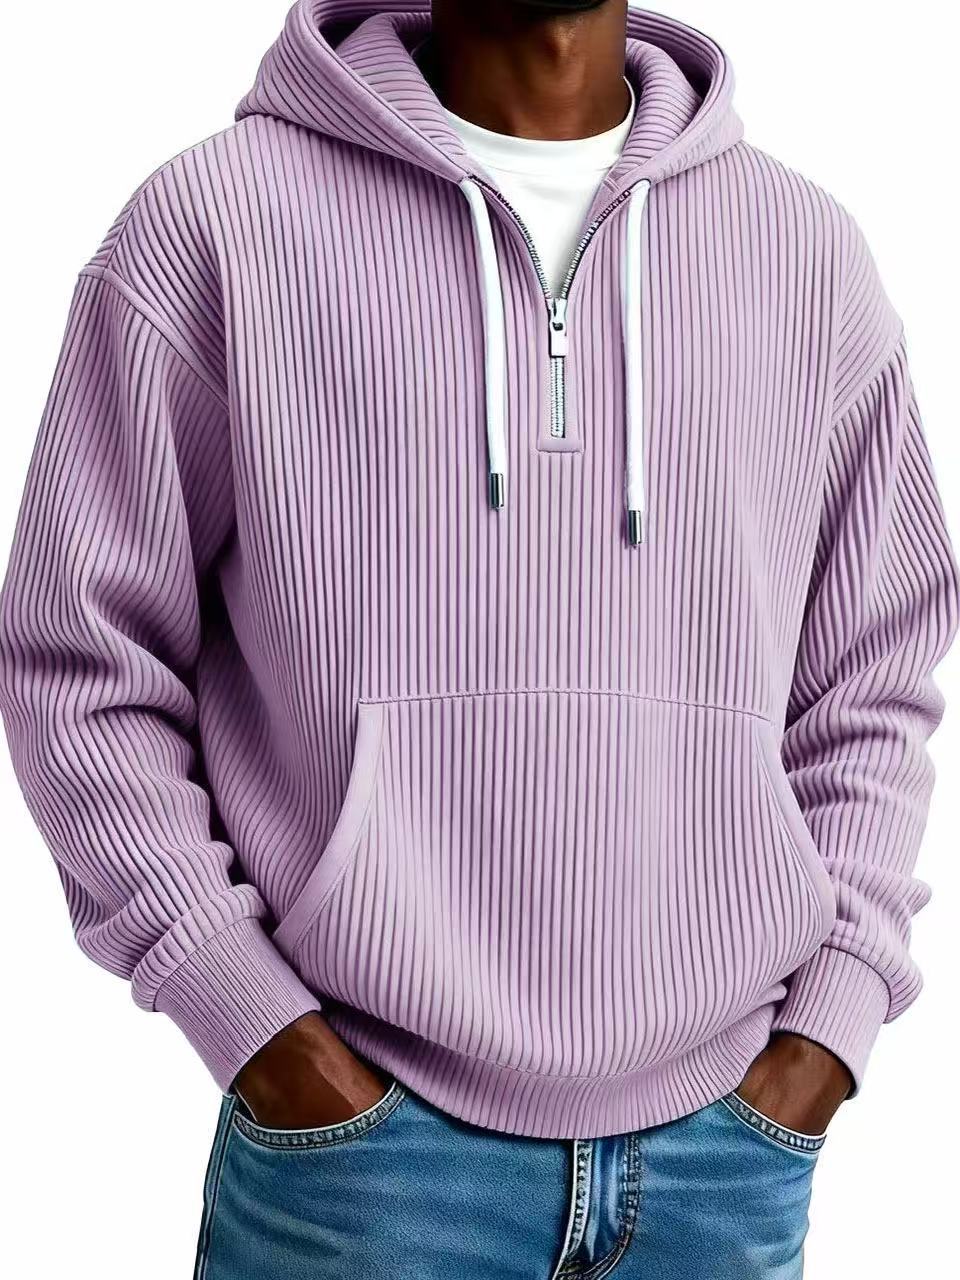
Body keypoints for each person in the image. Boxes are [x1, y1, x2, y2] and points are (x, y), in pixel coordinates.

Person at [1, 2, 956, 1277]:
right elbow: (80, 659)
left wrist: (826, 1033)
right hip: (361, 1163)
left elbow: (873, 678)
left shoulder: (807, 256)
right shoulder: (216, 225)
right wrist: (254, 1020)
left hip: (725, 1161)